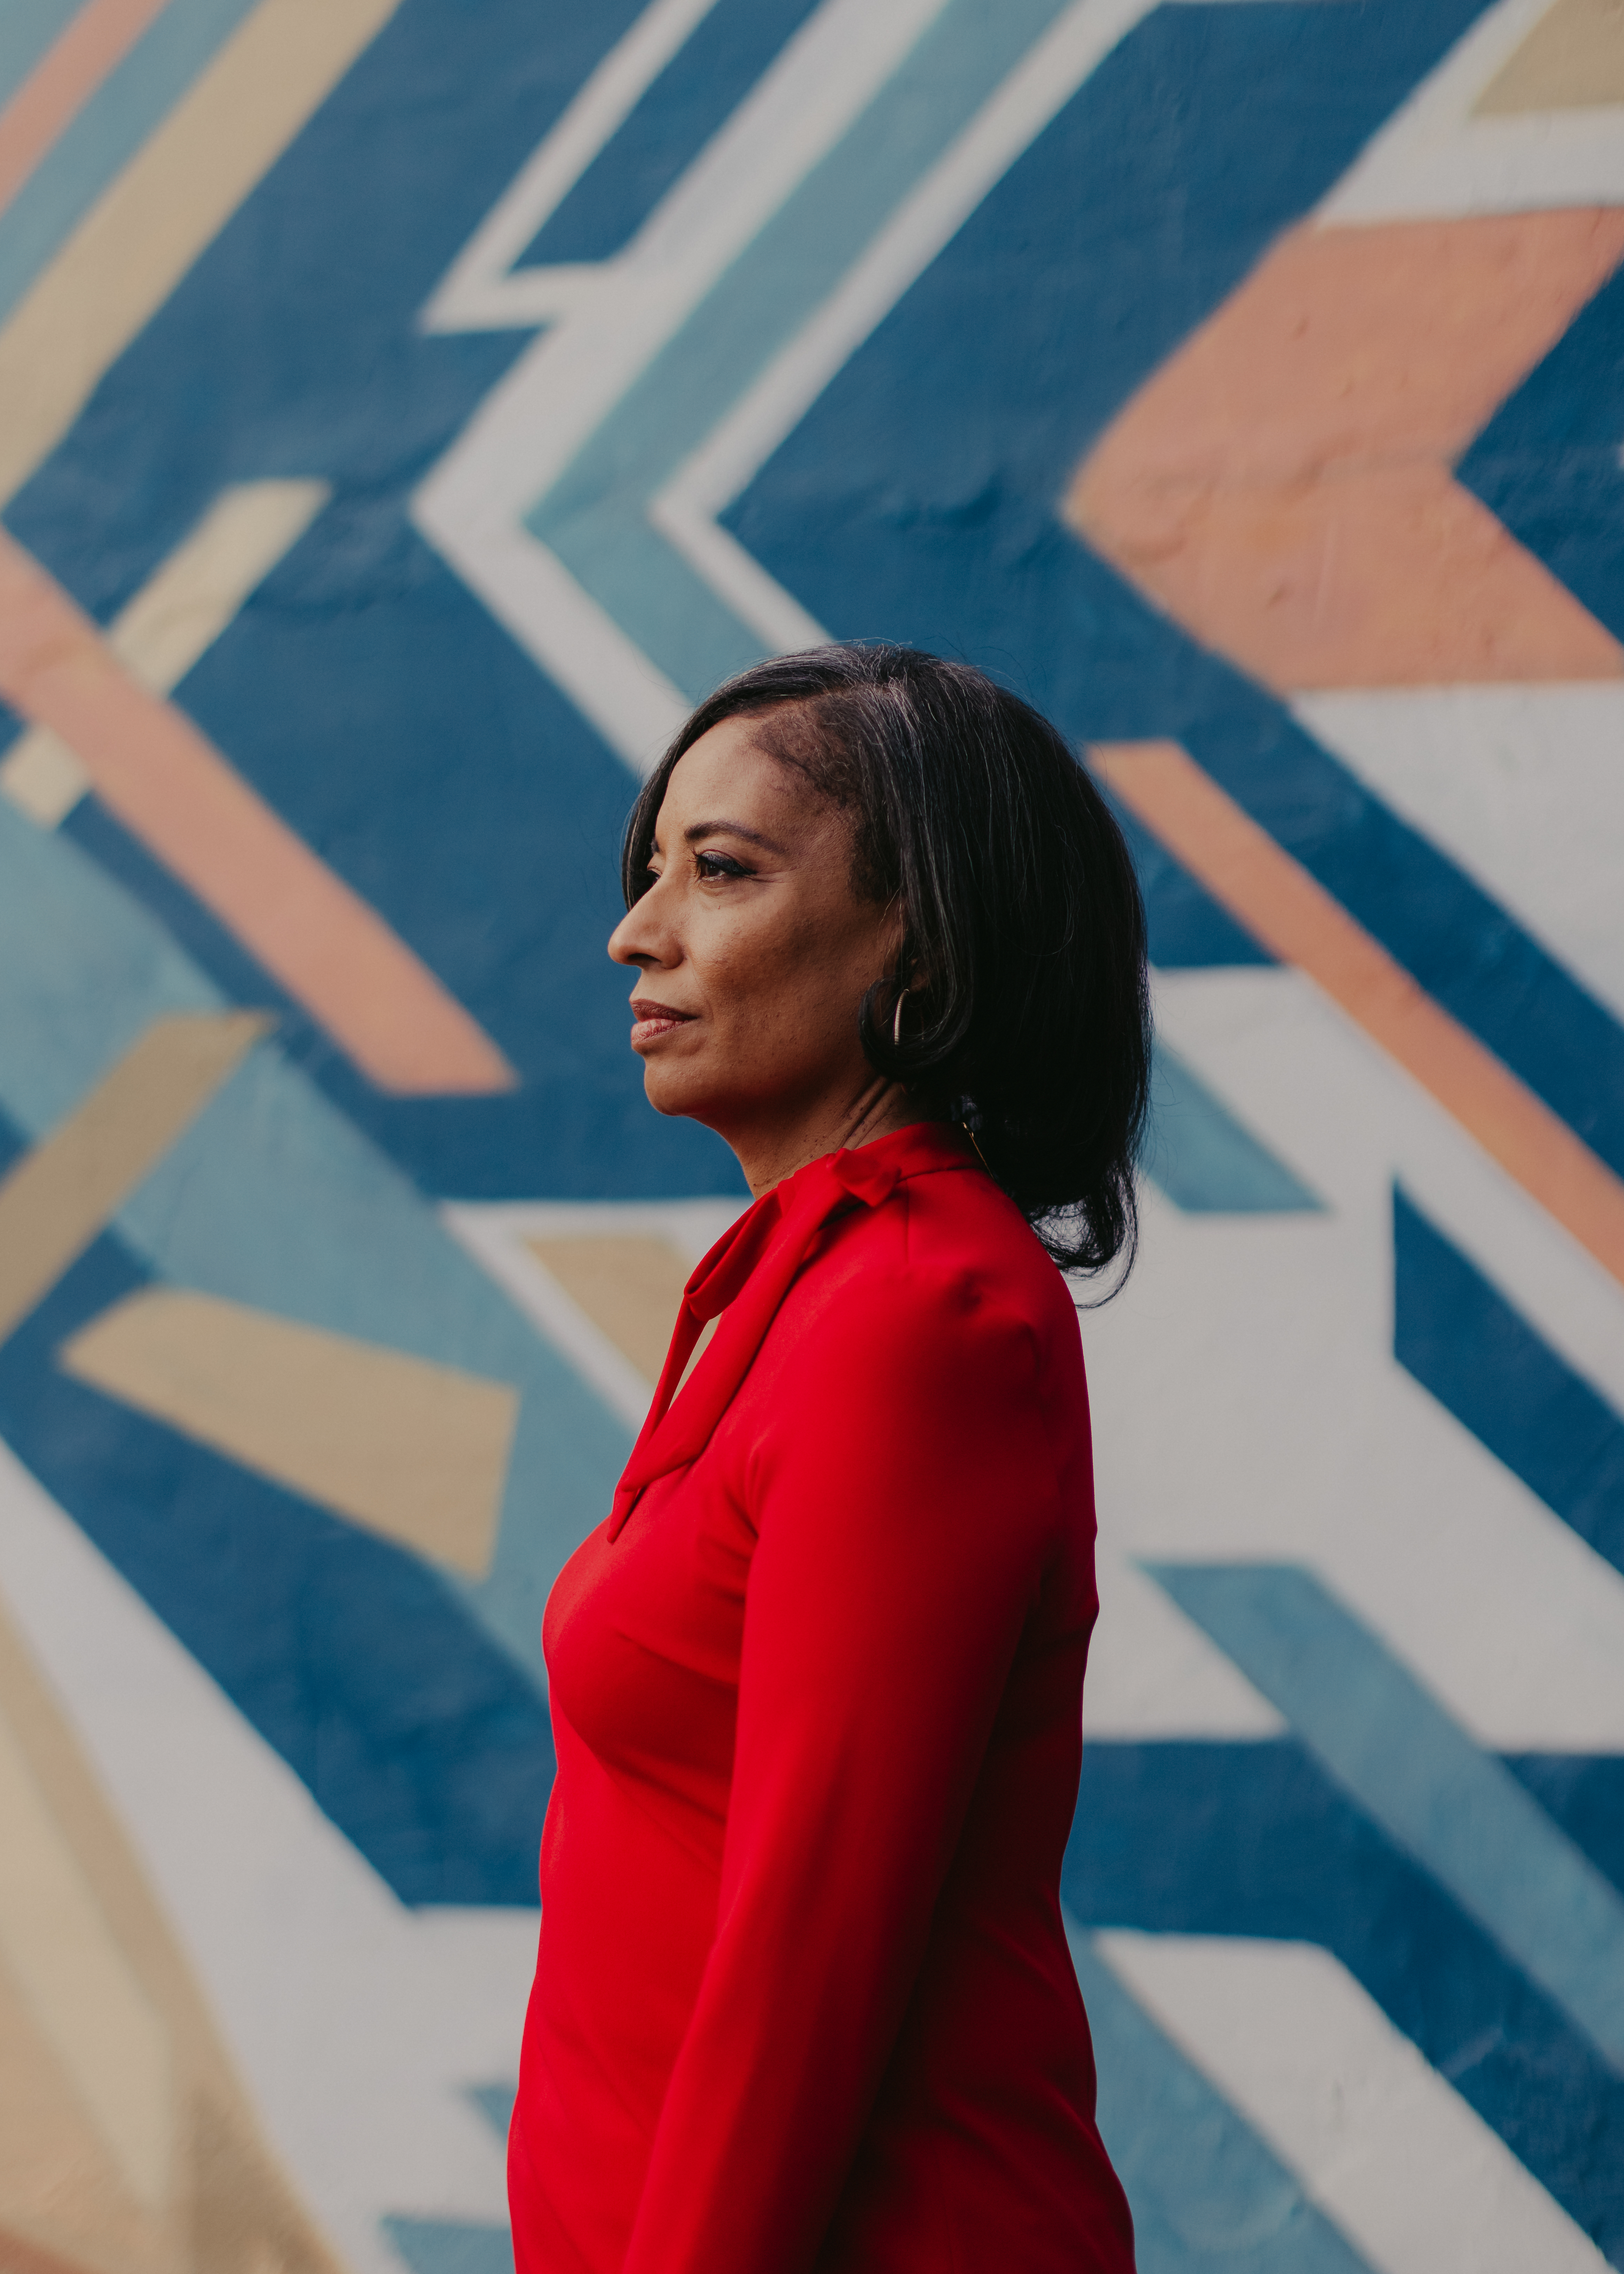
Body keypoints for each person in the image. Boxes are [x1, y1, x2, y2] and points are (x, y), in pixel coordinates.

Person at [508, 644, 1149, 2273]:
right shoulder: (800, 1291)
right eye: (650, 870)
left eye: (719, 872)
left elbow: (809, 1966)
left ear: (915, 944)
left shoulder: (914, 1317)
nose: (635, 932)